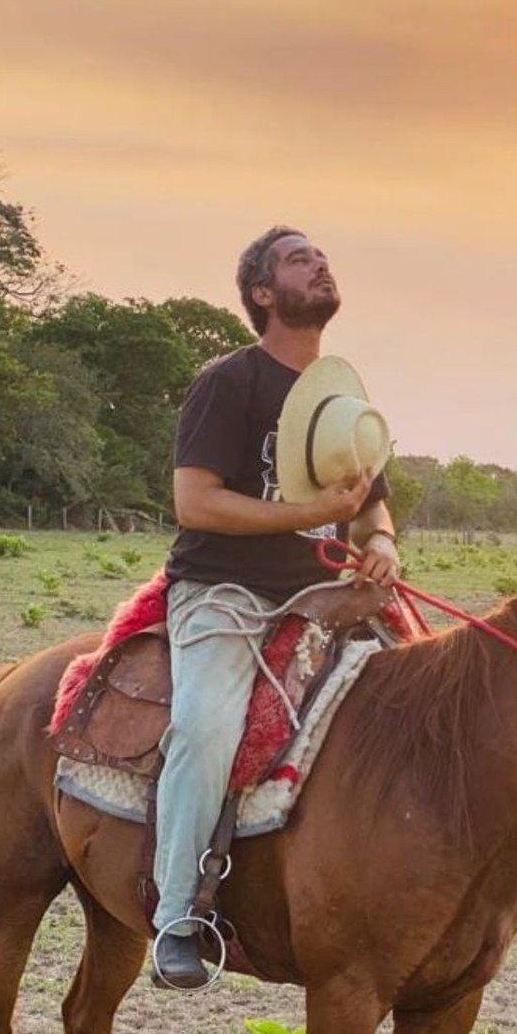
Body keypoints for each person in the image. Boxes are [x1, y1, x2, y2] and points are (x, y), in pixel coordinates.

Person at [152, 225, 400, 988]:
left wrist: (382, 542)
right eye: (299, 258)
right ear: (264, 293)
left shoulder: (342, 402)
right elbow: (194, 502)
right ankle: (177, 914)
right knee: (205, 725)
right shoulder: (231, 381)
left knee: (422, 702)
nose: (320, 262)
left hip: (320, 600)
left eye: (321, 255)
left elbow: (368, 508)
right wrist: (306, 514)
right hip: (223, 594)